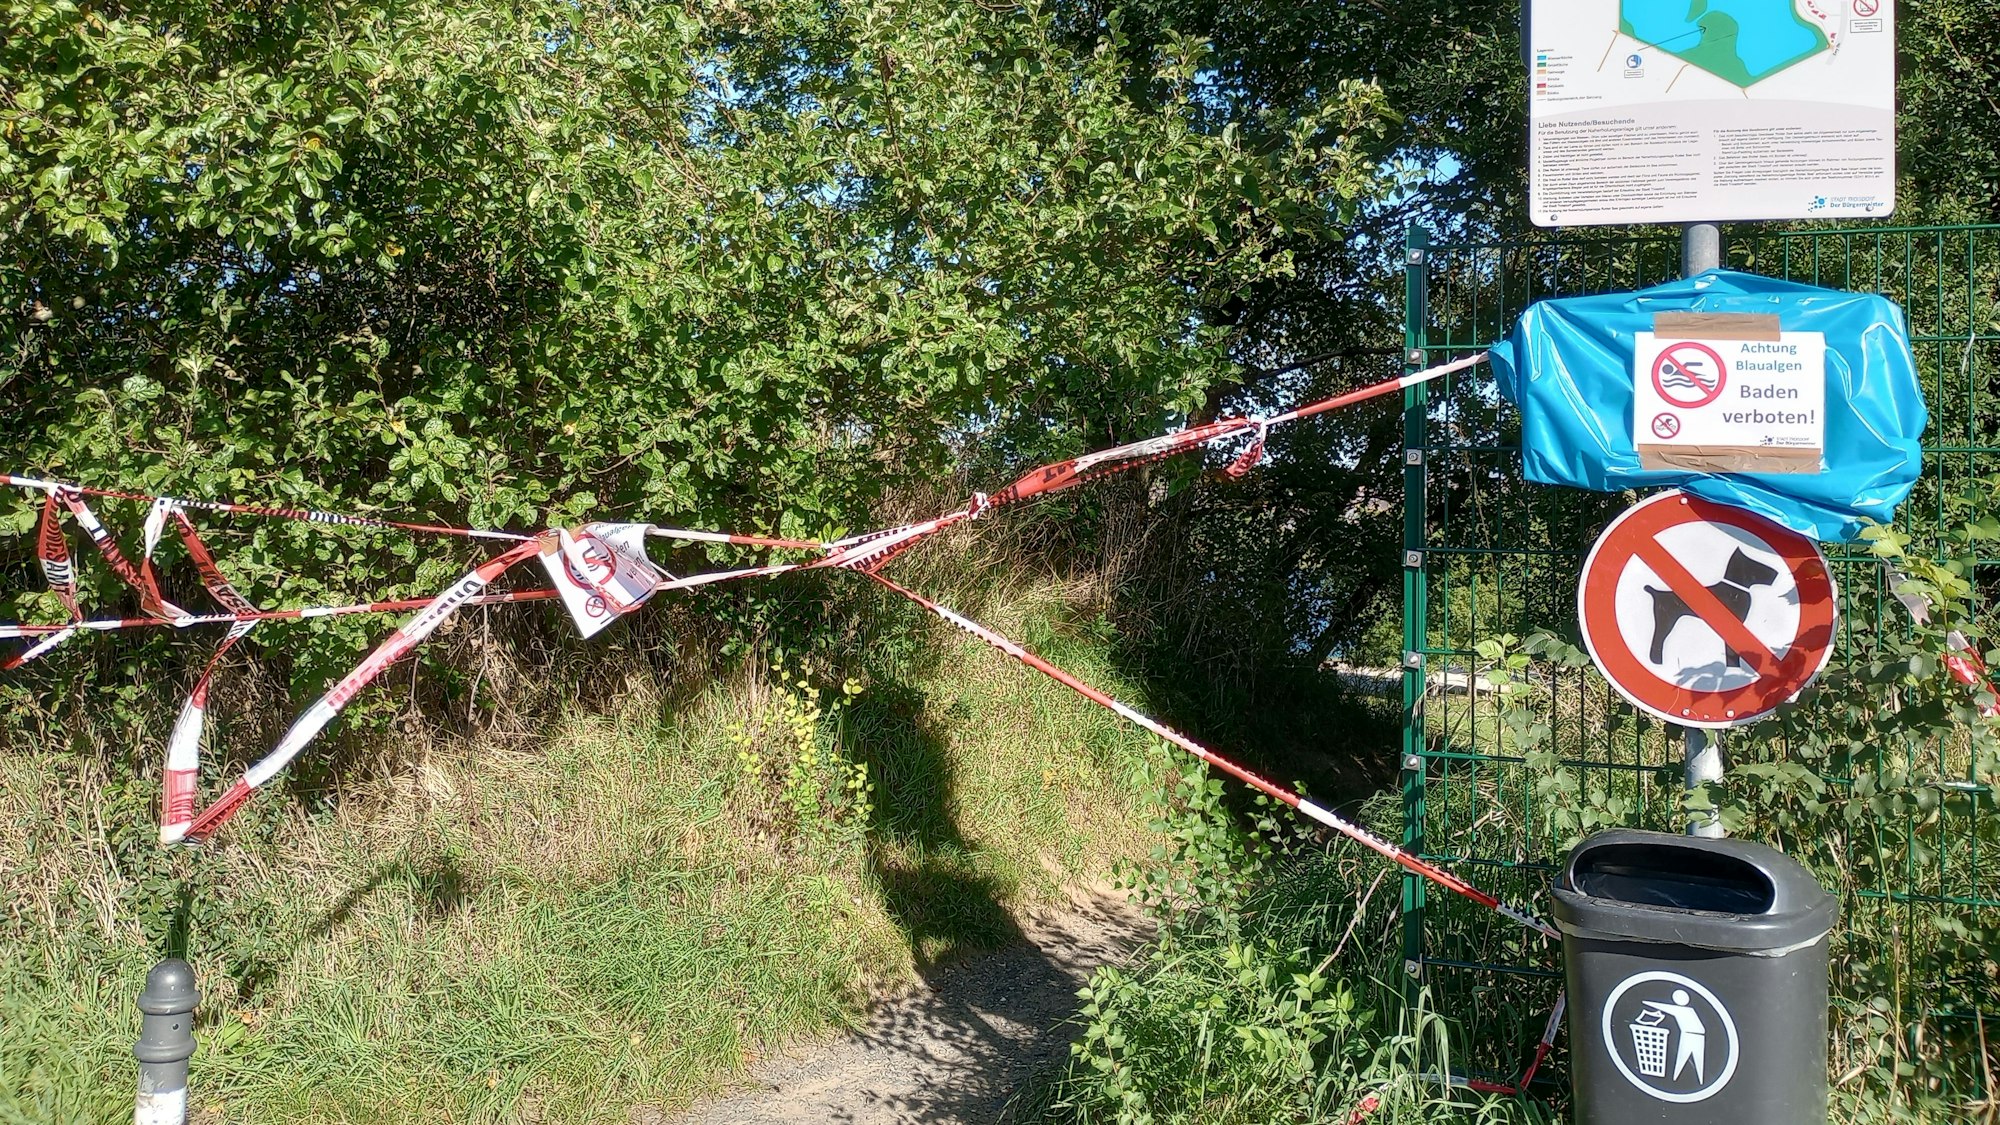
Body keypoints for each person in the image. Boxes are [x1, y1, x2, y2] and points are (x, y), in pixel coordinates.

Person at [1641, 989, 1707, 1083]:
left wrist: (1647, 1002)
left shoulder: (1683, 1010)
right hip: (1694, 1036)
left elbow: (1665, 1007)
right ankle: (1676, 1079)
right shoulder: (1688, 1010)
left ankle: (1692, 1080)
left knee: (1691, 1060)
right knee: (1685, 1060)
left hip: (1694, 1037)